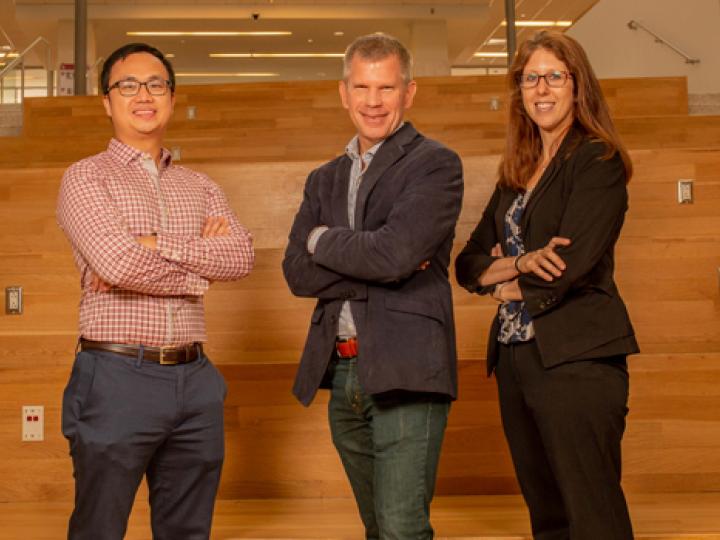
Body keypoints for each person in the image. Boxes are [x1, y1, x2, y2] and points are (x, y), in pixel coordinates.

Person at [56, 43, 254, 540]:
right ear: (106, 100)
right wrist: (198, 269)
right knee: (100, 528)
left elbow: (242, 257)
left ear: (171, 96)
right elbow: (117, 263)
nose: (143, 95)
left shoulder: (201, 185)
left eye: (155, 84)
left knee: (188, 531)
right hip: (116, 378)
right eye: (127, 85)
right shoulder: (85, 177)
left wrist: (153, 245)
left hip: (197, 380)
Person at [455, 31, 638, 540]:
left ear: (578, 86)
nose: (542, 88)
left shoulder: (596, 160)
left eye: (554, 76)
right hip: (517, 357)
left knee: (591, 511)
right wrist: (517, 266)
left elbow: (570, 263)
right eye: (530, 78)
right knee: (548, 514)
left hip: (578, 357)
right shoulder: (517, 170)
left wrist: (502, 280)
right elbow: (467, 263)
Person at [282, 33, 463, 539]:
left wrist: (324, 240)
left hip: (407, 367)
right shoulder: (323, 178)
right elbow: (296, 271)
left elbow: (397, 254)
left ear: (409, 92)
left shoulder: (434, 163)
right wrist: (374, 256)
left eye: (386, 88)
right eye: (362, 87)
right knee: (376, 527)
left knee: (403, 529)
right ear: (344, 92)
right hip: (341, 371)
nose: (373, 101)